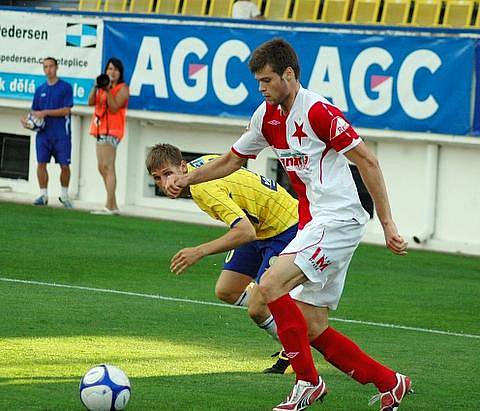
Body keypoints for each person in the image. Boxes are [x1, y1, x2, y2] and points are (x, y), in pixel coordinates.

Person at [165, 38, 412, 411]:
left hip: (340, 217)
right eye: (258, 82)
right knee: (312, 327)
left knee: (269, 285)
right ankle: (390, 383)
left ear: (289, 74)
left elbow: (368, 162)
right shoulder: (266, 117)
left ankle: (307, 383)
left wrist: (389, 223)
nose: (261, 88)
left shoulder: (318, 113)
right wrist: (188, 179)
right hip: (313, 221)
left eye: (267, 80)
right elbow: (233, 160)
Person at [145, 143, 298, 374]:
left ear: (183, 167)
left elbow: (244, 232)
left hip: (285, 226)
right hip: (258, 225)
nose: (165, 184)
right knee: (227, 290)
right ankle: (284, 316)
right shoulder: (199, 168)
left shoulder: (202, 188)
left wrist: (199, 251)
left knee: (257, 307)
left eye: (168, 174)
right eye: (157, 178)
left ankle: (295, 350)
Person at [21, 57, 74, 208]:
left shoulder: (66, 87)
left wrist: (45, 112)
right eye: (45, 67)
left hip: (61, 135)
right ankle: (43, 195)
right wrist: (29, 124)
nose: (48, 69)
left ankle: (64, 195)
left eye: (51, 66)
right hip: (43, 135)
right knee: (41, 164)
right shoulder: (40, 90)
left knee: (64, 165)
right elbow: (35, 113)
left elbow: (66, 110)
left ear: (56, 67)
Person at [88, 57, 129, 215]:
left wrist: (108, 90)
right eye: (109, 69)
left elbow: (114, 107)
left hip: (112, 130)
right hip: (100, 129)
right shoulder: (101, 86)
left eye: (115, 69)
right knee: (101, 167)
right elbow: (90, 102)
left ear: (120, 73)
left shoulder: (122, 88)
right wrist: (96, 86)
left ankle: (109, 205)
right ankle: (113, 205)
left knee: (109, 167)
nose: (112, 72)